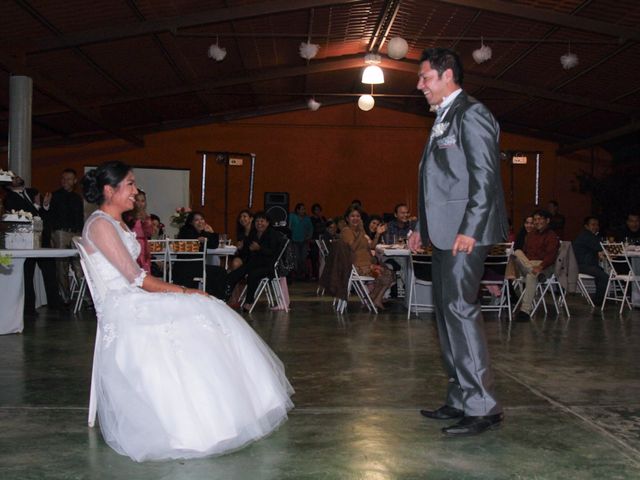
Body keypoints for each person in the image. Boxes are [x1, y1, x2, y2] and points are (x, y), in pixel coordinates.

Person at [79, 161, 293, 462]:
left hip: (133, 298)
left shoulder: (118, 222)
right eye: (129, 184)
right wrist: (186, 291)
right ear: (108, 190)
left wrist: (187, 294)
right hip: (124, 306)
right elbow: (137, 279)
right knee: (199, 310)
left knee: (208, 310)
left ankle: (231, 410)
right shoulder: (100, 224)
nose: (135, 191)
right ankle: (198, 423)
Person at [416, 48, 508, 436]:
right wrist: (422, 225)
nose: (420, 85)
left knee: (460, 310)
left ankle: (483, 405)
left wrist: (470, 227)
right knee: (445, 313)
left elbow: (484, 177)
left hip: (464, 233)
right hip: (442, 232)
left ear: (447, 75)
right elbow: (436, 181)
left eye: (426, 78)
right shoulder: (444, 117)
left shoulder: (472, 113)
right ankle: (460, 397)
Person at [4, 175, 63, 313]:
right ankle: (29, 307)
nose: (17, 178)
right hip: (25, 241)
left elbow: (43, 214)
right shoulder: (10, 198)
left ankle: (55, 304)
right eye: (13, 179)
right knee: (27, 274)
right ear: (8, 185)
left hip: (42, 238)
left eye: (17, 177)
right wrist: (37, 205)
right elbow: (21, 216)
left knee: (50, 271)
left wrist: (45, 205)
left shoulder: (32, 192)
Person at [225, 211, 283, 312]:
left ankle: (249, 302)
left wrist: (259, 248)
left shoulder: (273, 234)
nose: (259, 223)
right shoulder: (254, 233)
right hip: (254, 263)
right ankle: (225, 297)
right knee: (235, 273)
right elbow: (247, 251)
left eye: (262, 221)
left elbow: (274, 253)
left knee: (253, 274)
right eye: (257, 221)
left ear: (268, 222)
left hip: (268, 266)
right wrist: (241, 248)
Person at [340, 206, 394, 310]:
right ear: (347, 218)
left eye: (358, 216)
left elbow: (372, 246)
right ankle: (372, 298)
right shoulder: (347, 231)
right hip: (357, 268)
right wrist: (361, 232)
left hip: (367, 265)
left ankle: (374, 299)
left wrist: (377, 234)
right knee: (386, 274)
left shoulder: (360, 231)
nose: (355, 218)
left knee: (390, 273)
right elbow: (353, 247)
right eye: (352, 216)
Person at [45, 168, 85, 304]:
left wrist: (81, 234)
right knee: (61, 266)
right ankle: (65, 298)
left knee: (80, 264)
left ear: (74, 181)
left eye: (68, 179)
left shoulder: (77, 198)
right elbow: (48, 216)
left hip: (76, 233)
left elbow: (80, 218)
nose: (65, 181)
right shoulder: (54, 196)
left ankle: (85, 297)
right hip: (60, 232)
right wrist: (46, 205)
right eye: (63, 179)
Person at [513, 209, 560, 320]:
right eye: (535, 219)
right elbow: (524, 252)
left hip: (544, 265)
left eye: (540, 219)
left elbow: (551, 256)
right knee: (517, 252)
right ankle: (536, 273)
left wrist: (541, 267)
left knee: (531, 276)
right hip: (529, 265)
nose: (537, 222)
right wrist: (531, 266)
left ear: (547, 220)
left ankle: (525, 312)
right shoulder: (531, 235)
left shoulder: (551, 236)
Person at [174, 211, 227, 299]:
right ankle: (216, 299)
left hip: (196, 266)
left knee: (219, 271)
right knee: (220, 272)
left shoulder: (202, 233)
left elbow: (213, 245)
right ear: (191, 222)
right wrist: (197, 240)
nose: (200, 222)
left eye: (202, 219)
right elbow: (187, 241)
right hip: (186, 267)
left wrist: (211, 232)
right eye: (196, 220)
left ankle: (214, 297)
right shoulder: (186, 230)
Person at [573, 216, 608, 306]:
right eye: (593, 225)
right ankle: (598, 302)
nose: (596, 227)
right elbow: (601, 247)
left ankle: (599, 299)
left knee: (601, 272)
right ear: (586, 226)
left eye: (597, 225)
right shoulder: (587, 236)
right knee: (604, 276)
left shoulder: (587, 235)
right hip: (581, 265)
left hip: (581, 264)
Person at [123, 191, 153, 272]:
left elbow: (149, 233)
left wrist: (146, 221)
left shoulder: (146, 217)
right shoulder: (127, 215)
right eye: (137, 200)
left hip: (143, 245)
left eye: (143, 201)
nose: (140, 203)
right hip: (132, 244)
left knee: (145, 268)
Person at [289, 203, 313, 280]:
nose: (303, 210)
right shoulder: (292, 216)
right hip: (294, 241)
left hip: (304, 241)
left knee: (303, 258)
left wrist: (308, 236)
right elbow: (289, 227)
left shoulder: (307, 218)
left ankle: (303, 274)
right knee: (296, 258)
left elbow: (311, 229)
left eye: (304, 209)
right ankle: (296, 274)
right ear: (297, 210)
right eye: (302, 209)